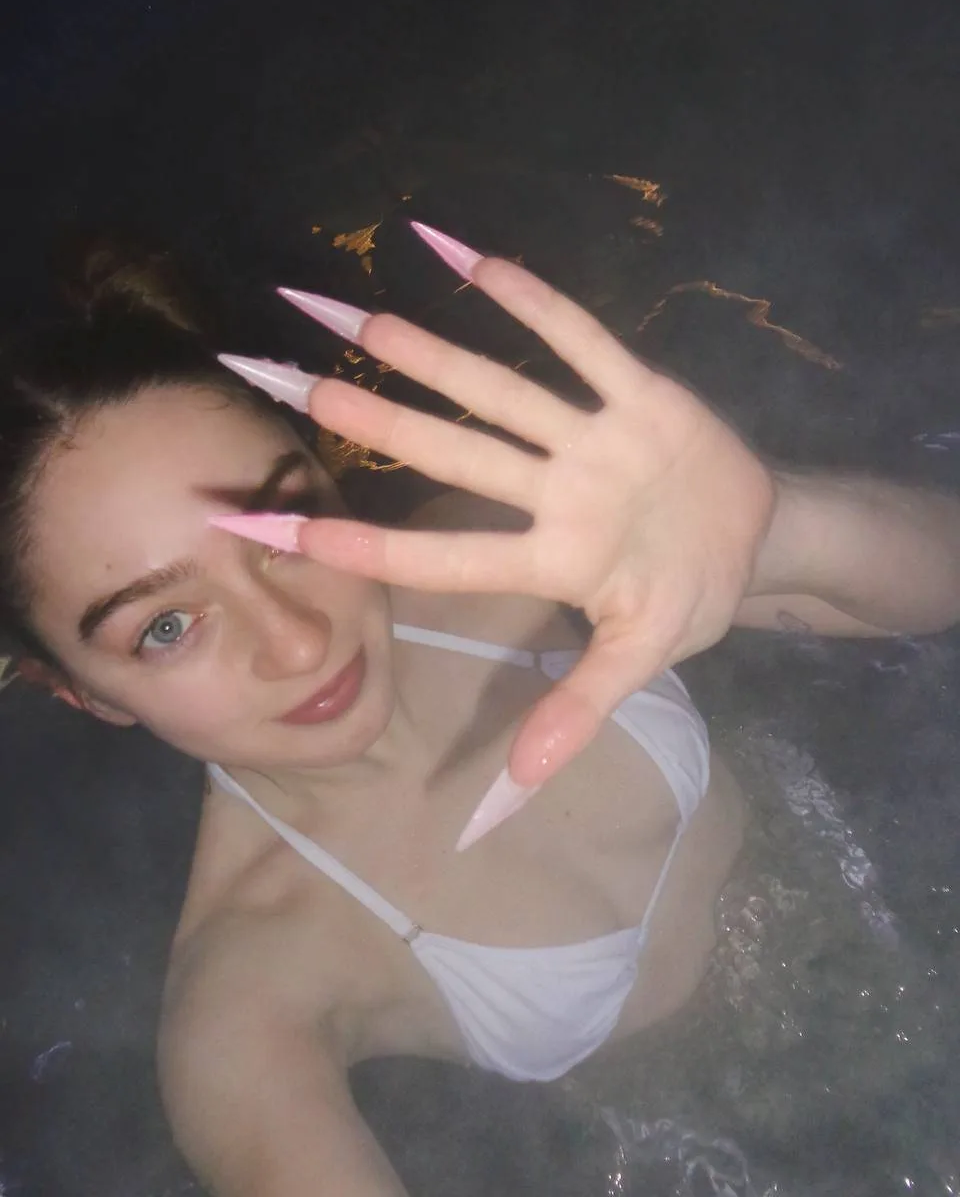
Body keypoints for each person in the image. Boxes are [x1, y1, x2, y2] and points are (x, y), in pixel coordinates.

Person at [5, 227, 959, 1196]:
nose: (296, 642)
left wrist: (785, 527)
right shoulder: (250, 1002)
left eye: (284, 527)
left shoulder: (510, 552)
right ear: (81, 691)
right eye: (166, 627)